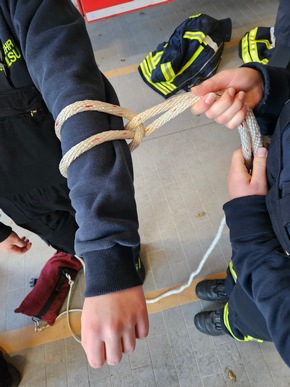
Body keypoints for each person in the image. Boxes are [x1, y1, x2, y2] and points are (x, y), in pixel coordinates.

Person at [0, 0, 148, 368]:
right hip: (18, 201)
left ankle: (129, 258)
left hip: (72, 174)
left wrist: (108, 252)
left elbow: (77, 95)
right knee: (67, 239)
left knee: (114, 248)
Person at [189, 63, 290, 367]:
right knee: (240, 271)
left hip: (276, 286)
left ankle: (234, 324)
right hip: (269, 209)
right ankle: (233, 285)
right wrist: (270, 89)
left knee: (252, 311)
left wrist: (250, 228)